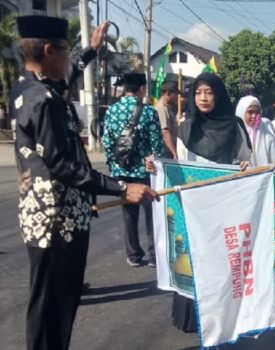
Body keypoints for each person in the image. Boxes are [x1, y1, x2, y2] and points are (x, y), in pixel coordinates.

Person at [11, 16, 157, 350]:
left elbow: (65, 79)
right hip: (57, 220)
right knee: (55, 306)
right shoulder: (44, 101)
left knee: (47, 303)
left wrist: (90, 50)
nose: (69, 59)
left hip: (40, 216)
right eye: (65, 52)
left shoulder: (26, 88)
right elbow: (63, 165)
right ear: (49, 51)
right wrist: (121, 187)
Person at [171, 72, 252, 332]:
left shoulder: (234, 125)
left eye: (209, 92)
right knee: (195, 258)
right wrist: (155, 168)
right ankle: (194, 318)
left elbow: (248, 160)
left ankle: (224, 318)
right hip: (195, 206)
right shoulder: (186, 126)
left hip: (225, 204)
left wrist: (244, 166)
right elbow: (179, 166)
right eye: (198, 93)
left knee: (221, 260)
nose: (203, 98)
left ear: (218, 95)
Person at [102, 72, 165, 267]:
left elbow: (106, 142)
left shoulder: (111, 111)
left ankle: (134, 255)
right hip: (145, 172)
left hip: (121, 171)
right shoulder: (148, 112)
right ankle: (155, 256)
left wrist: (115, 164)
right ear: (141, 89)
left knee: (129, 215)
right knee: (151, 214)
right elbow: (157, 146)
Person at [235, 95, 275, 167]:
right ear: (242, 112)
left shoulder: (268, 136)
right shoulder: (234, 134)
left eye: (257, 112)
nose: (254, 116)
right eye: (250, 112)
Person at [155, 81, 180, 159]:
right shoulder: (162, 108)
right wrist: (174, 153)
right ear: (168, 93)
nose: (177, 97)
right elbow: (165, 132)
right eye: (176, 94)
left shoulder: (169, 107)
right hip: (166, 151)